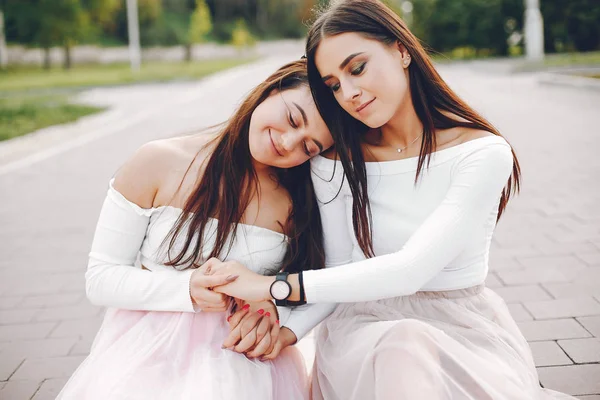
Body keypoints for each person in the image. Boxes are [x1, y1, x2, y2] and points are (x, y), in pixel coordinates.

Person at [204, 1, 577, 399]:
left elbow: (411, 269)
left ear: (401, 50)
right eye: (332, 85)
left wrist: (273, 288)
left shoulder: (482, 154)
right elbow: (338, 270)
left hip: (462, 330)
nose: (348, 93)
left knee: (410, 342)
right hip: (362, 331)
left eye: (357, 68)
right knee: (404, 343)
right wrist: (288, 330)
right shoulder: (334, 160)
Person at [57, 59, 335, 400]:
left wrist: (276, 311)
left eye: (308, 148)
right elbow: (100, 279)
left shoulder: (301, 200)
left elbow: (327, 281)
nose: (289, 142)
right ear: (272, 88)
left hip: (246, 358)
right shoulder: (157, 161)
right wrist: (186, 288)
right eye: (293, 119)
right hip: (151, 349)